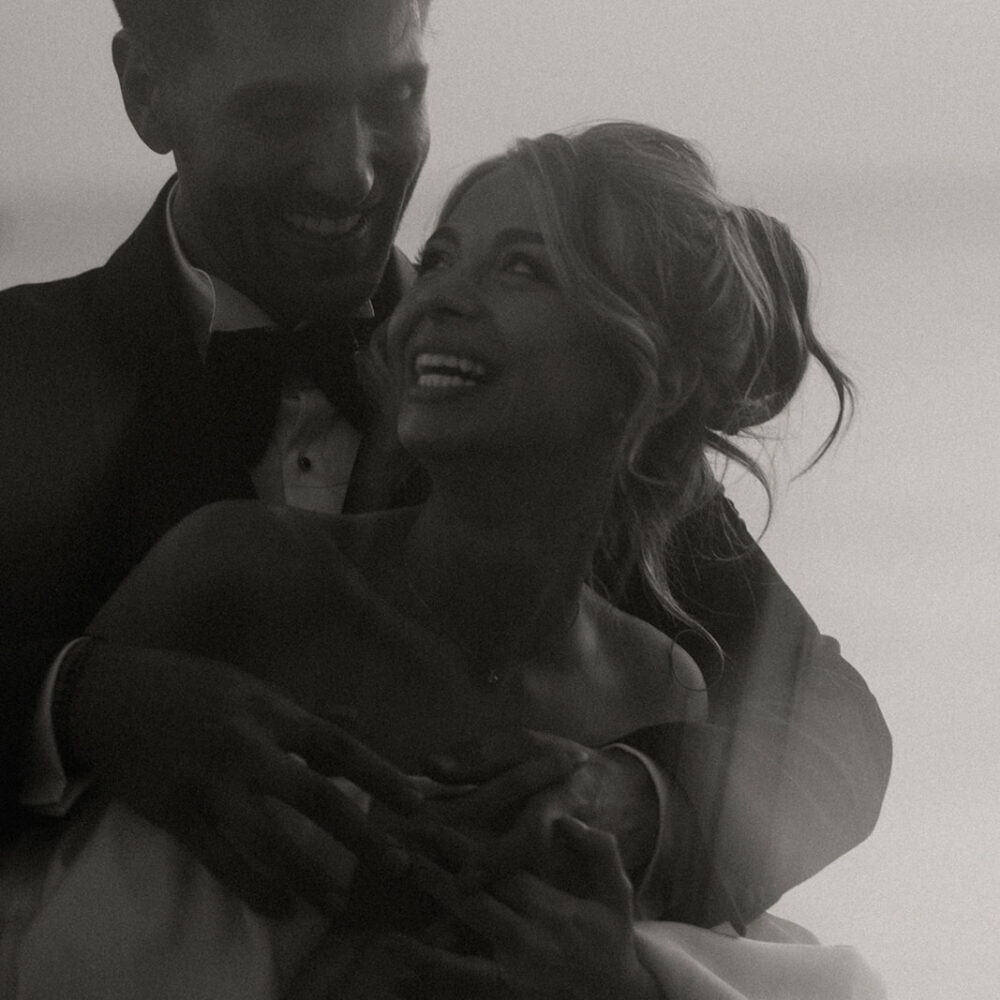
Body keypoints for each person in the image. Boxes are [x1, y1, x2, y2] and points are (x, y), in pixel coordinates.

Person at [0, 0, 890, 933]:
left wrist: (635, 803)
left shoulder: (557, 407)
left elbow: (833, 731)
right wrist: (78, 706)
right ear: (146, 93)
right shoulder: (21, 373)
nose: (352, 170)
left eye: (396, 97)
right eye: (282, 111)